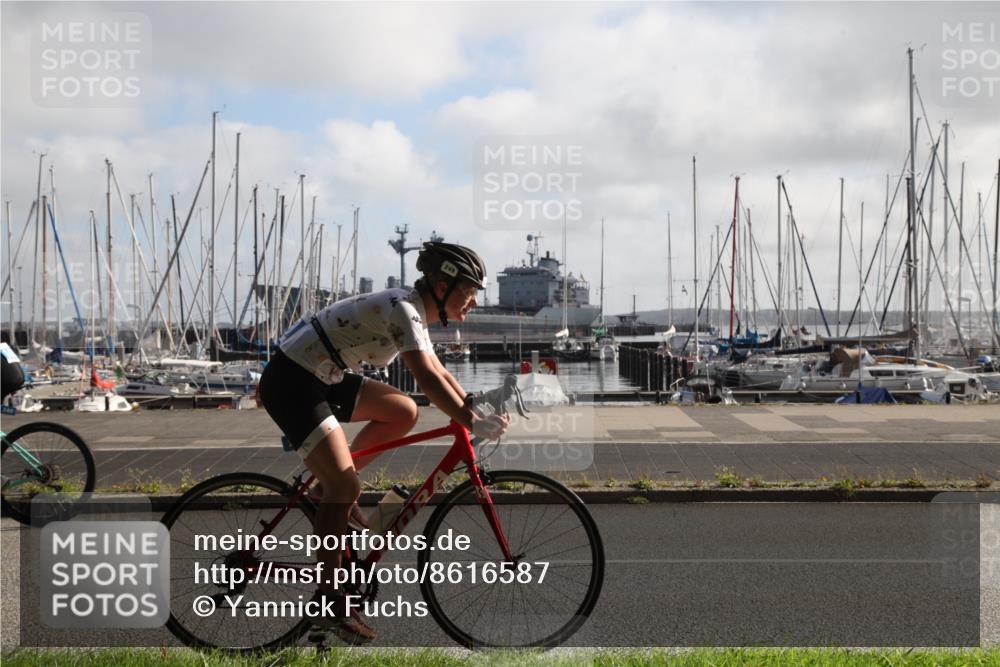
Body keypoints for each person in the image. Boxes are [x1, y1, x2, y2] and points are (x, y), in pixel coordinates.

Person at [257, 241, 509, 643]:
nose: (475, 301)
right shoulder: (404, 310)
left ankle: (328, 487)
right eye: (469, 290)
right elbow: (426, 377)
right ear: (442, 287)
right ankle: (330, 600)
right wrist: (470, 421)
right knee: (346, 486)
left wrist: (473, 411)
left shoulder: (414, 311)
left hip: (326, 375)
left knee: (403, 412)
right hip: (294, 380)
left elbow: (440, 373)